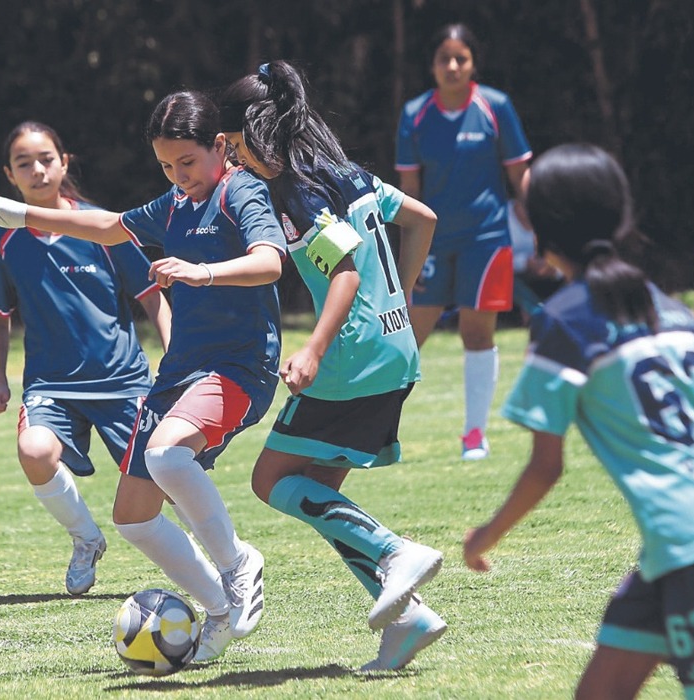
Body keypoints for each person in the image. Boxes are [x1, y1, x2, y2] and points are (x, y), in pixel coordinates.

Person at [0, 90, 285, 662]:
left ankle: (238, 562)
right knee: (133, 518)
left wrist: (201, 272)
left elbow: (270, 261)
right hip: (181, 370)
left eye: (187, 162)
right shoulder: (175, 205)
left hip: (239, 365)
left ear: (219, 146)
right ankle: (217, 610)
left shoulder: (242, 191)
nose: (178, 175)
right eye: (166, 166)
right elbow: (110, 226)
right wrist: (16, 213)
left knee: (165, 457)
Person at [463, 144, 694, 699]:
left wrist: (485, 537)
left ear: (544, 230)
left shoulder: (565, 324)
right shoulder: (664, 308)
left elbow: (546, 467)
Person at [219, 60, 446, 672]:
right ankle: (406, 619)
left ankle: (395, 551)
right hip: (395, 348)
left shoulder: (292, 192)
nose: (233, 161)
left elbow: (343, 275)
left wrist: (314, 348)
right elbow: (422, 219)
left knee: (270, 481)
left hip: (348, 356)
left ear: (255, 135)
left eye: (235, 147)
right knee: (318, 497)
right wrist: (403, 289)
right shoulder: (345, 171)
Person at [0, 121, 171, 596]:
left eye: (46, 158)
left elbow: (151, 296)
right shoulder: (1, 240)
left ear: (64, 162)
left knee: (169, 473)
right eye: (24, 163)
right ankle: (86, 539)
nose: (37, 169)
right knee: (34, 450)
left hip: (125, 381)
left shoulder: (101, 226)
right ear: (10, 175)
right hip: (52, 387)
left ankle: (221, 560)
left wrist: (178, 355)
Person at [395, 23, 533, 460]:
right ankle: (375, 430)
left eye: (462, 58)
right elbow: (408, 194)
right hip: (432, 242)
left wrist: (542, 228)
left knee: (478, 334)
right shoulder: (414, 114)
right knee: (407, 337)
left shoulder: (496, 107)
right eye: (444, 58)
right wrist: (406, 261)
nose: (453, 66)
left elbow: (519, 175)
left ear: (474, 63)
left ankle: (475, 434)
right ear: (432, 65)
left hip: (487, 240)